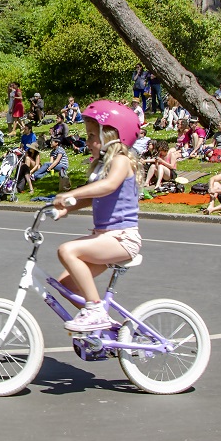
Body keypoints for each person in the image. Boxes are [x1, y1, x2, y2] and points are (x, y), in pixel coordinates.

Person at [48, 101, 142, 332]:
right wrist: (67, 208)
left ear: (111, 135)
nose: (87, 142)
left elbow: (107, 187)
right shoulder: (101, 166)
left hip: (123, 238)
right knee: (66, 284)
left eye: (92, 136)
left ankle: (96, 310)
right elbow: (95, 198)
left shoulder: (121, 161)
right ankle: (105, 330)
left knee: (67, 250)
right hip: (105, 238)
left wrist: (70, 193)